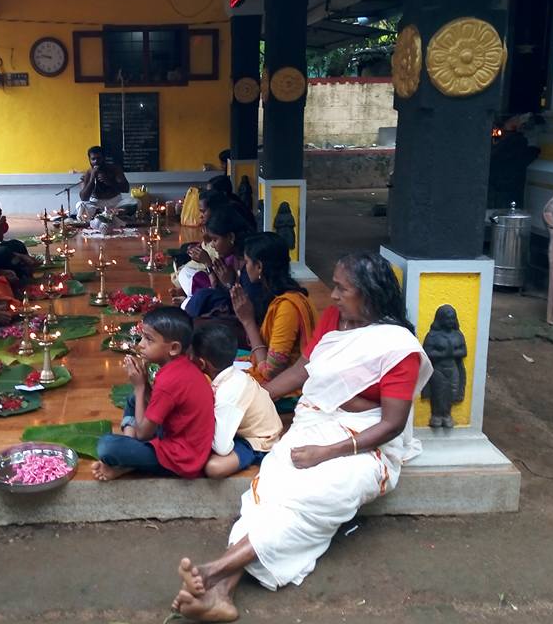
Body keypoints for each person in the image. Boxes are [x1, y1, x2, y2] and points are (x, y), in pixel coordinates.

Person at [171, 253, 432, 622]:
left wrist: (327, 453)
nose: (334, 295)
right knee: (272, 492)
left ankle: (213, 571)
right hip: (315, 423)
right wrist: (260, 396)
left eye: (343, 289)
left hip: (366, 444)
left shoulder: (396, 347)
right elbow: (304, 370)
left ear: (370, 294)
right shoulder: (334, 319)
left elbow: (391, 424)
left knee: (315, 494)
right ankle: (221, 595)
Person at [93, 307, 214, 481]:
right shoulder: (180, 365)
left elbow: (144, 434)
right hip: (174, 436)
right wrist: (142, 390)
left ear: (173, 348)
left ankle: (128, 461)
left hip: (182, 460)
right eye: (142, 337)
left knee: (107, 446)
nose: (140, 344)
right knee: (134, 400)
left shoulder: (170, 381)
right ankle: (130, 454)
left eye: (149, 340)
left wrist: (140, 387)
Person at [192, 325, 282, 479]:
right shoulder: (231, 377)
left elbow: (222, 448)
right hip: (240, 432)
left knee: (214, 467)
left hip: (258, 441)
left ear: (201, 363)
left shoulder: (229, 391)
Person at [230, 232, 317, 384]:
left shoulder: (287, 308)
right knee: (222, 354)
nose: (245, 267)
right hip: (272, 370)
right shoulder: (275, 294)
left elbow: (270, 372)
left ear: (259, 267)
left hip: (288, 389)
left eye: (247, 262)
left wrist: (248, 322)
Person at [76, 146, 131, 219]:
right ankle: (105, 215)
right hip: (96, 204)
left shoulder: (114, 169)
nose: (96, 161)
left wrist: (109, 182)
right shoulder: (88, 173)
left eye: (99, 158)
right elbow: (83, 197)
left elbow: (126, 189)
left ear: (104, 158)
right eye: (93, 159)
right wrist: (92, 179)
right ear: (89, 160)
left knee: (135, 202)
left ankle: (104, 216)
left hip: (114, 203)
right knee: (80, 205)